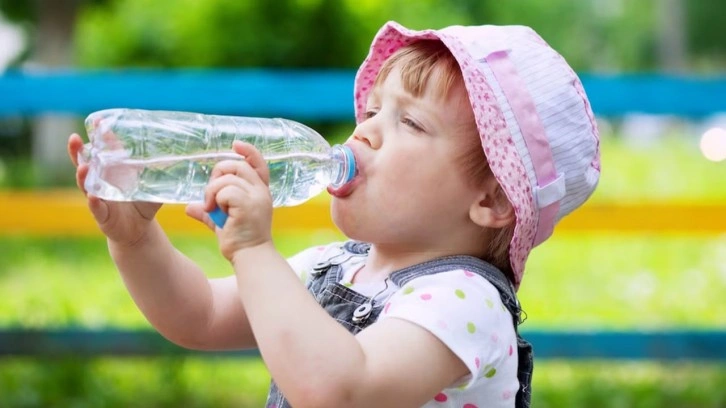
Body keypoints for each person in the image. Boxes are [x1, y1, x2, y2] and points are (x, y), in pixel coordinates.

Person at [67, 21, 600, 408]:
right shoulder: (333, 267)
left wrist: (254, 252)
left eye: (409, 123)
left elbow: (341, 390)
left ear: (492, 201)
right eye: (371, 112)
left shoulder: (468, 303)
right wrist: (136, 241)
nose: (363, 131)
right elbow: (200, 315)